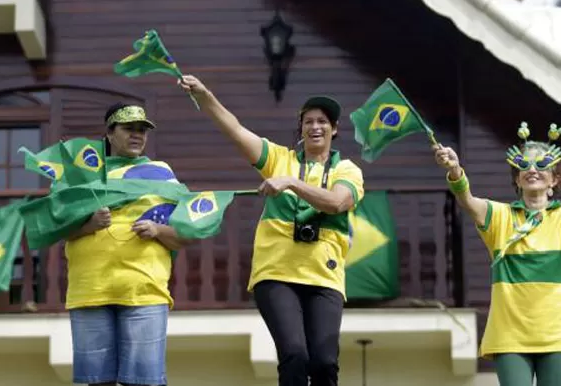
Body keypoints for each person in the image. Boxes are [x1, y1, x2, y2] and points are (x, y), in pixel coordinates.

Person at [178, 75, 365, 386]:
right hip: (276, 275)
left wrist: (290, 182)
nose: (315, 127)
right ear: (301, 129)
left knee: (325, 363)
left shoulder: (347, 170)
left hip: (324, 278)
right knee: (294, 355)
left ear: (334, 129)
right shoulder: (279, 159)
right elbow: (235, 130)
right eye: (308, 121)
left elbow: (335, 203)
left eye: (322, 121)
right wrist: (205, 95)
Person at [433, 121, 561, 386]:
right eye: (524, 165)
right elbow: (468, 201)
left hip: (559, 334)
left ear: (555, 179)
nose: (532, 170)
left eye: (542, 165)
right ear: (516, 178)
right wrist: (455, 170)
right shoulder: (499, 216)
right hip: (510, 335)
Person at [64, 102, 188, 386]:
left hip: (144, 290)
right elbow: (55, 229)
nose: (137, 135)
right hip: (90, 290)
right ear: (109, 133)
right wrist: (89, 226)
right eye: (129, 128)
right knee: (98, 383)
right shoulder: (81, 175)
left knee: (144, 382)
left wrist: (157, 229)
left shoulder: (162, 174)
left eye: (142, 130)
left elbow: (187, 234)